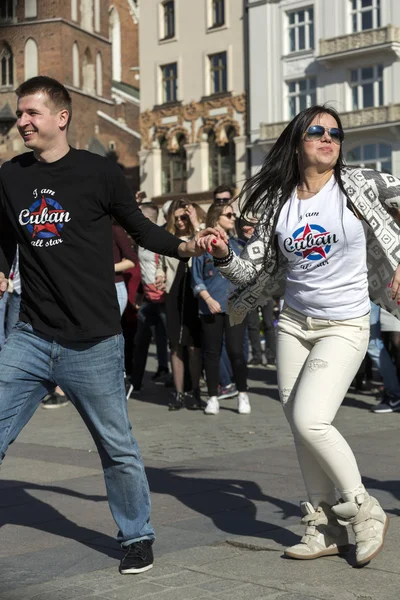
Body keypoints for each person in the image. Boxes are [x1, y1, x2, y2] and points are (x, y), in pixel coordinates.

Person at [0, 76, 218, 575]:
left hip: (95, 340)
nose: (22, 121)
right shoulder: (9, 176)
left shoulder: (99, 173)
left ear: (61, 117)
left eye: (32, 112)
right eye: (19, 113)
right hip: (31, 336)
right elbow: (2, 236)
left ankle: (137, 535)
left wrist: (186, 247)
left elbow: (140, 229)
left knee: (117, 448)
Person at [197, 104, 400, 566]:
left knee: (311, 418)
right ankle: (324, 525)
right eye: (316, 131)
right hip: (293, 323)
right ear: (297, 141)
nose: (328, 139)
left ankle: (365, 510)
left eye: (335, 132)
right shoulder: (276, 202)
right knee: (299, 426)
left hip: (345, 323)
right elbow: (252, 272)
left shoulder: (362, 184)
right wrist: (226, 252)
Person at [192, 203, 250, 416]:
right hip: (211, 305)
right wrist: (207, 299)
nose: (233, 217)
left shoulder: (238, 245)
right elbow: (196, 277)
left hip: (235, 306)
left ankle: (243, 393)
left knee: (236, 351)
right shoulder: (204, 245)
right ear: (217, 219)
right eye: (228, 215)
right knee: (212, 352)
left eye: (233, 214)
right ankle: (213, 397)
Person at [156, 200, 205, 410]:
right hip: (173, 293)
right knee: (175, 345)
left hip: (195, 292)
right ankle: (179, 393)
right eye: (176, 219)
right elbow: (160, 264)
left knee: (194, 345)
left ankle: (195, 391)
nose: (180, 222)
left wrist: (195, 223)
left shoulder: (199, 234)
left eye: (183, 217)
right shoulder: (168, 240)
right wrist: (159, 275)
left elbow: (208, 246)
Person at [128, 203, 170, 394]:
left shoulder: (159, 239)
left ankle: (176, 378)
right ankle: (136, 381)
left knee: (169, 340)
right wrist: (139, 293)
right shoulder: (140, 239)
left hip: (163, 299)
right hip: (148, 299)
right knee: (142, 340)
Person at [113, 220, 136, 316]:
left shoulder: (115, 230)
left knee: (111, 330)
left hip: (114, 287)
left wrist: (105, 269)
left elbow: (132, 260)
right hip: (91, 287)